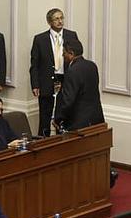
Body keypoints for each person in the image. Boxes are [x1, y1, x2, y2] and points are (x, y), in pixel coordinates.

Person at [30, 8, 80, 136]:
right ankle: (43, 141)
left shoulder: (71, 35)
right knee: (45, 115)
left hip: (66, 79)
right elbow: (34, 64)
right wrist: (35, 84)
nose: (60, 21)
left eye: (61, 18)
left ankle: (61, 141)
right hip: (46, 81)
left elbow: (77, 57)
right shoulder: (40, 39)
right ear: (49, 22)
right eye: (56, 19)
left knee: (63, 114)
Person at [53, 39, 105, 131]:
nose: (62, 55)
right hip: (96, 119)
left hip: (79, 124)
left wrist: (58, 119)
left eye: (64, 53)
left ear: (71, 54)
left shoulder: (73, 71)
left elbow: (68, 101)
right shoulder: (92, 65)